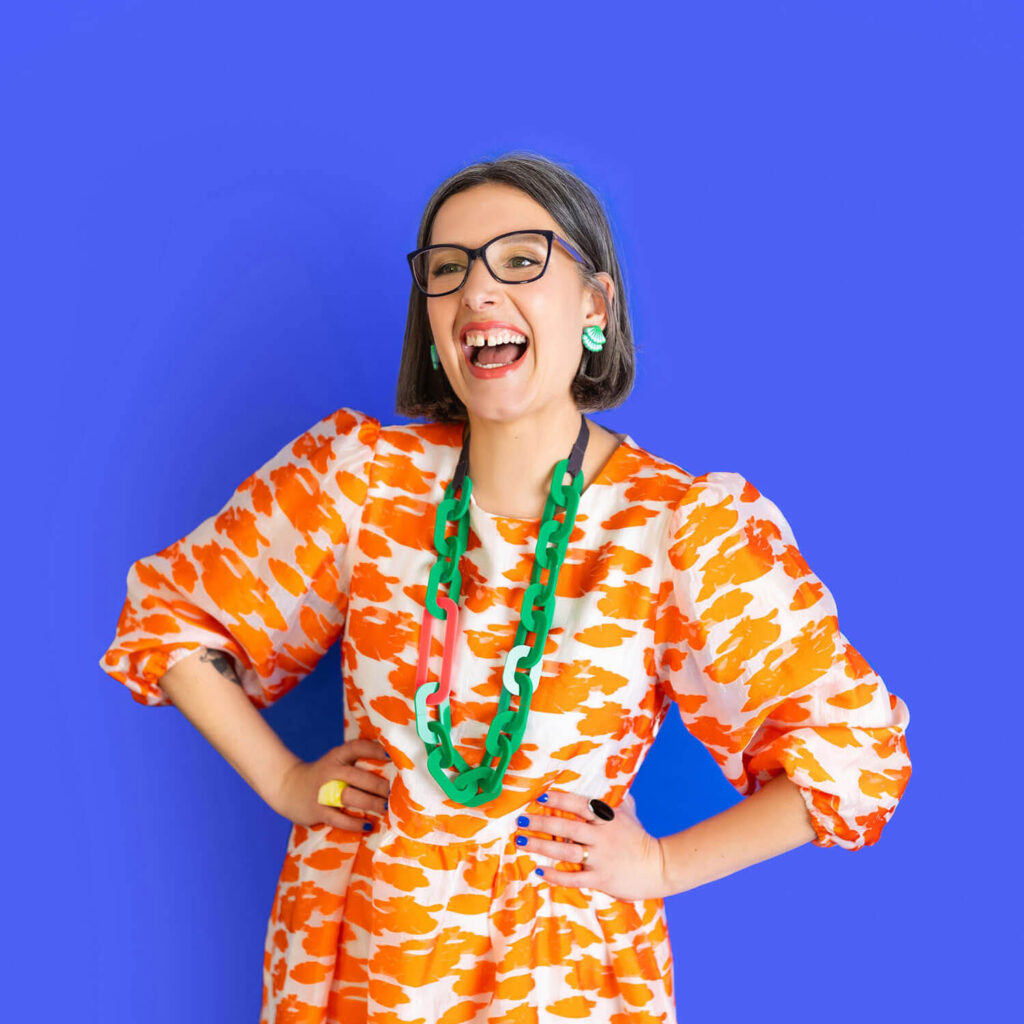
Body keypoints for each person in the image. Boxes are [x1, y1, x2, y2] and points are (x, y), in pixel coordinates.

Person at [99, 152, 912, 1023]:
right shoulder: (362, 482)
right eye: (448, 271)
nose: (478, 293)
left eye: (521, 259)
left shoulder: (678, 529)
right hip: (358, 960)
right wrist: (288, 784)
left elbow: (857, 753)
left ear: (594, 304)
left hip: (563, 980)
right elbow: (166, 617)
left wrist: (664, 868)